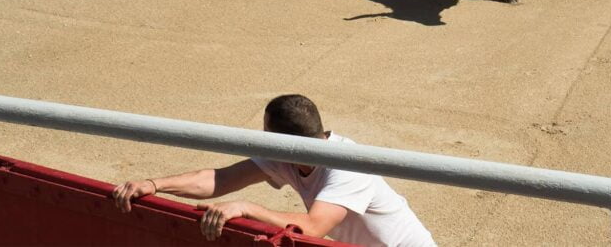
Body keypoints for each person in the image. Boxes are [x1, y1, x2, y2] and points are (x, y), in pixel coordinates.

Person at [112, 94, 435, 246]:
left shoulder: (347, 166)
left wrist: (248, 208)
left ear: (282, 140)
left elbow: (311, 228)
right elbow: (221, 179)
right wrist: (154, 184)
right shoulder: (289, 155)